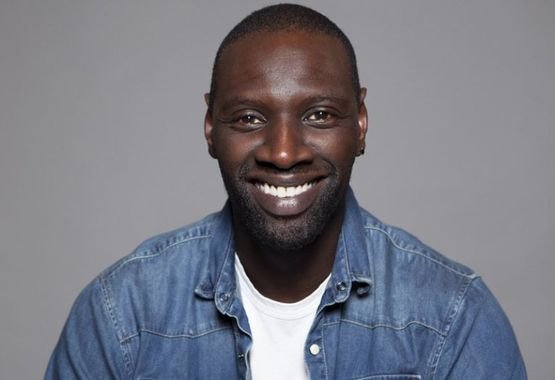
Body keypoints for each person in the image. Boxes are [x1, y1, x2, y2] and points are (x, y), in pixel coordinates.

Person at [46, 4, 526, 379]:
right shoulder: (120, 314)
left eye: (318, 115)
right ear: (210, 128)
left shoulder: (452, 316)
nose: (282, 152)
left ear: (360, 123)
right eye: (250, 118)